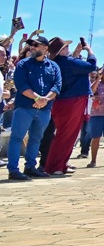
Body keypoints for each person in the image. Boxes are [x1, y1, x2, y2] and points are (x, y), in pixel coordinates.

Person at [7, 35, 59, 181]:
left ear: (45, 48)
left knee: (36, 139)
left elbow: (57, 86)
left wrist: (45, 99)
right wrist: (37, 98)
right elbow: (21, 85)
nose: (32, 48)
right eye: (31, 45)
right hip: (24, 108)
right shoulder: (23, 64)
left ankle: (30, 167)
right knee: (17, 137)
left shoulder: (54, 66)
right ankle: (13, 169)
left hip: (44, 109)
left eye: (36, 45)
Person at [44, 37, 96, 175]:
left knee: (66, 134)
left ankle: (60, 164)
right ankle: (55, 166)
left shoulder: (56, 63)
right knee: (66, 135)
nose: (68, 49)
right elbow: (91, 66)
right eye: (66, 47)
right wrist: (89, 51)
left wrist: (75, 54)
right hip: (73, 101)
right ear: (61, 51)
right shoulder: (69, 62)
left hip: (62, 101)